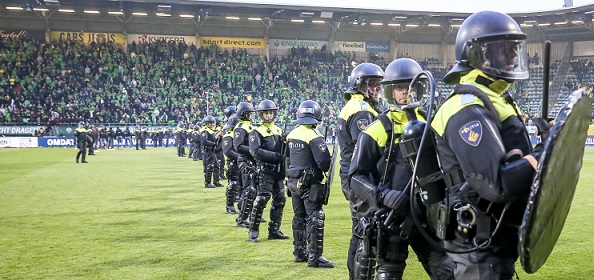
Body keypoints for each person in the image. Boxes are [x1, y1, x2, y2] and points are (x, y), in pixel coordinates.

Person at [431, 10, 541, 279]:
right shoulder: (464, 107)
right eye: (504, 48)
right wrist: (542, 155)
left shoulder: (491, 98)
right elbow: (496, 185)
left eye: (515, 47)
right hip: (478, 248)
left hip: (492, 240)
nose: (514, 54)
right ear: (477, 54)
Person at [348, 58, 454, 279]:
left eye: (410, 86)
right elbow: (355, 177)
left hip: (428, 217)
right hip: (393, 218)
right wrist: (384, 196)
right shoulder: (377, 129)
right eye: (399, 87)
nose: (405, 92)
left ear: (419, 89)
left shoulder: (430, 124)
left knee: (448, 272)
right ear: (390, 91)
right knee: (388, 274)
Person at [337, 62, 384, 278]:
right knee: (366, 231)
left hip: (350, 176)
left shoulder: (352, 107)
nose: (378, 89)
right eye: (373, 84)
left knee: (359, 229)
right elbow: (365, 147)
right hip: (359, 178)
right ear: (360, 85)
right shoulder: (361, 111)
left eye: (378, 84)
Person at [286, 100, 334, 268]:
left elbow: (286, 159)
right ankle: (314, 257)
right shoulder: (314, 136)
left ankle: (299, 253)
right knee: (315, 218)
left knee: (299, 217)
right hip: (309, 184)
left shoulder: (291, 134)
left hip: (292, 183)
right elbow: (324, 163)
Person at [247, 99, 289, 242]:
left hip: (278, 171)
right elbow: (255, 151)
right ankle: (253, 231)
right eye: (266, 113)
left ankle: (274, 230)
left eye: (271, 113)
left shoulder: (278, 130)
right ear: (261, 115)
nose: (269, 116)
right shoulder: (256, 132)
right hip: (265, 171)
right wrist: (277, 156)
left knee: (280, 200)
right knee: (261, 200)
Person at [233, 102, 257, 228]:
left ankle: (251, 214)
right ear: (245, 114)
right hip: (245, 160)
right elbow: (238, 146)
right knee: (248, 189)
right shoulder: (241, 127)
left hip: (252, 160)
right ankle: (241, 219)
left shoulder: (249, 126)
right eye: (250, 113)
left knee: (254, 190)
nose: (252, 116)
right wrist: (254, 150)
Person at [222, 114, 240, 214]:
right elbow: (228, 151)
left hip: (241, 162)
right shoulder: (228, 136)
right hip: (233, 162)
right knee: (233, 184)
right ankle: (229, 206)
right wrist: (240, 157)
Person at [201, 116, 223, 188]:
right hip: (208, 150)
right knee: (210, 166)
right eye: (210, 123)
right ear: (206, 123)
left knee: (216, 166)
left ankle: (216, 181)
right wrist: (214, 144)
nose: (211, 124)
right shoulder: (205, 130)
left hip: (212, 150)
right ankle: (207, 183)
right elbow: (204, 141)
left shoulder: (211, 131)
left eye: (212, 123)